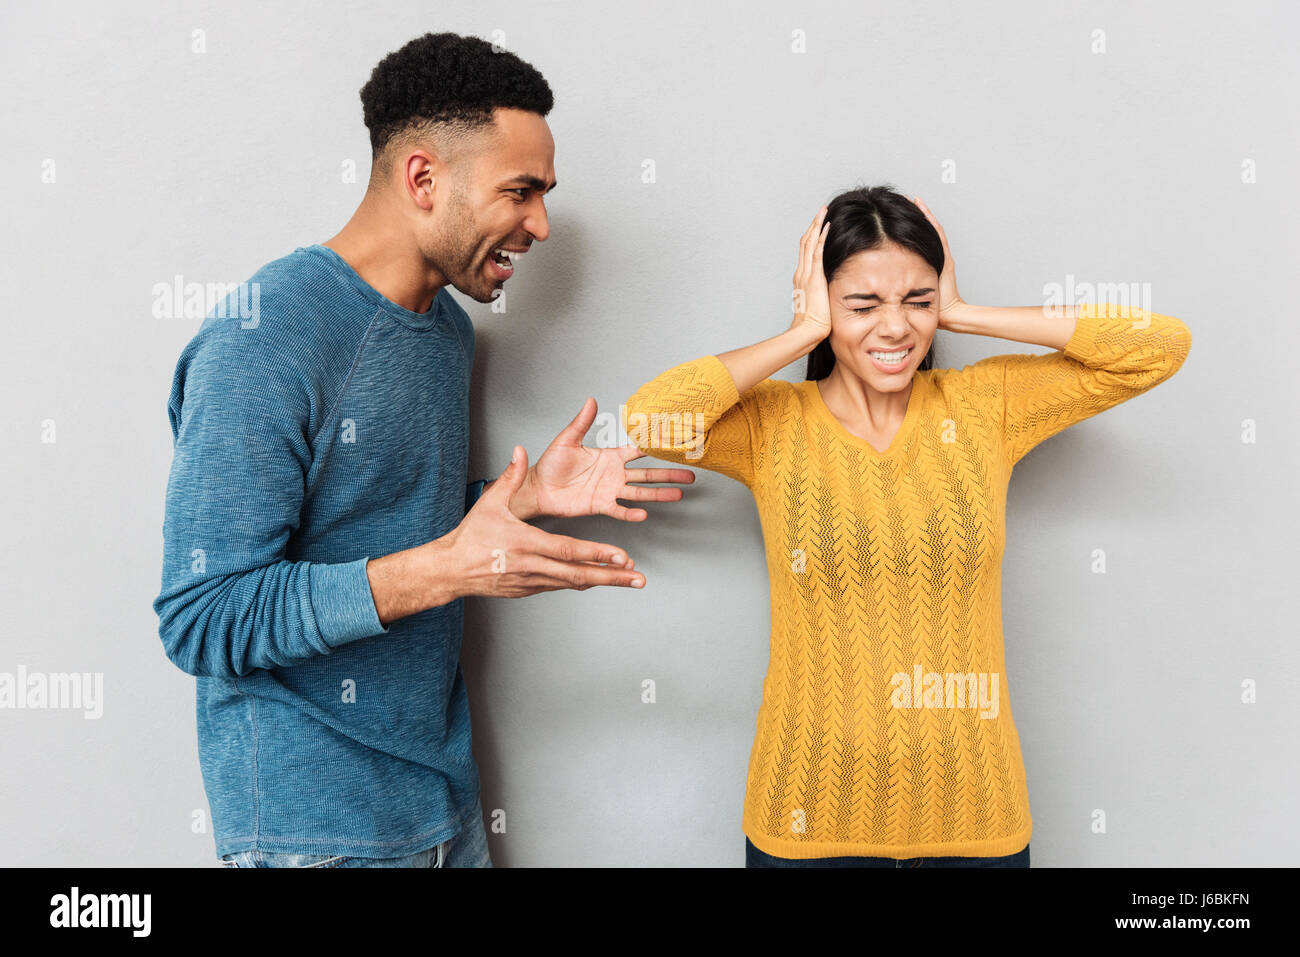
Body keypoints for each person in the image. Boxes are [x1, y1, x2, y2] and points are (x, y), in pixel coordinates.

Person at [153, 32, 692, 868]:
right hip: (314, 835)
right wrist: (454, 568)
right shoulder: (264, 338)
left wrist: (518, 500)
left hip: (441, 804)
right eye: (521, 191)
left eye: (544, 195)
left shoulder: (446, 330)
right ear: (422, 178)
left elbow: (373, 521)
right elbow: (202, 614)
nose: (540, 225)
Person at [621, 186, 1192, 867]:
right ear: (821, 297)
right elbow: (648, 419)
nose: (895, 328)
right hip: (805, 816)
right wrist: (802, 331)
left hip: (976, 814)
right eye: (862, 304)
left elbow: (1159, 346)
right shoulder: (771, 423)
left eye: (917, 301)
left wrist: (966, 314)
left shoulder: (986, 406)